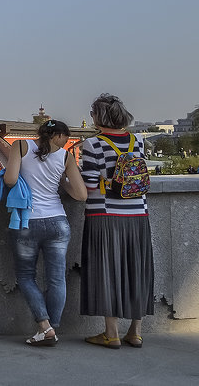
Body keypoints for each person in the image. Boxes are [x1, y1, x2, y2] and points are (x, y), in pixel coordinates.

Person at [4, 119, 88, 346]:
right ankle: (52, 327)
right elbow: (81, 195)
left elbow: (10, 180)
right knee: (57, 278)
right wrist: (62, 183)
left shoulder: (20, 146)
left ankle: (45, 326)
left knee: (25, 276)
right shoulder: (65, 157)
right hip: (57, 222)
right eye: (66, 137)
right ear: (58, 136)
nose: (66, 142)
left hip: (27, 221)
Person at [79, 93, 153, 349]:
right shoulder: (138, 141)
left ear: (99, 117)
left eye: (92, 114)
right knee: (137, 271)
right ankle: (135, 332)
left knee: (107, 272)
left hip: (105, 216)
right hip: (138, 215)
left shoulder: (93, 145)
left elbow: (88, 184)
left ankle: (111, 333)